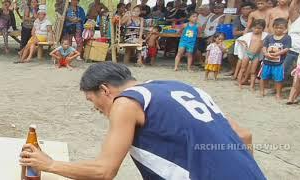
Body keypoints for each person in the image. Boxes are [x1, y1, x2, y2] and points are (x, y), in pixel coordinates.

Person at [20, 62, 266, 180]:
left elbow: (104, 171)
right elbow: (244, 136)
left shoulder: (125, 103)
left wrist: (49, 164)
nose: (95, 108)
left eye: (91, 100)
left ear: (105, 90)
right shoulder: (178, 86)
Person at [261, 18, 291, 99]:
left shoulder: (287, 38)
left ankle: (278, 94)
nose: (278, 29)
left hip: (279, 63)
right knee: (263, 77)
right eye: (276, 27)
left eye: (281, 28)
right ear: (273, 27)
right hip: (267, 61)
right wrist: (266, 53)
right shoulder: (269, 37)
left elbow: (286, 49)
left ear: (285, 29)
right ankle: (262, 91)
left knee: (278, 79)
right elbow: (264, 47)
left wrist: (277, 53)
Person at [237, 19, 268, 90]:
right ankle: (239, 84)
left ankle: (252, 86)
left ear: (263, 28)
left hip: (256, 55)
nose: (257, 30)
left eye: (259, 28)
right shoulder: (249, 35)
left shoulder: (265, 36)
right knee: (242, 69)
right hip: (248, 53)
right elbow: (239, 39)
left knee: (253, 72)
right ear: (252, 28)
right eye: (255, 28)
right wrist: (244, 44)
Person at [228, 1, 255, 78]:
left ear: (252, 10)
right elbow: (235, 33)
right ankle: (234, 69)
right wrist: (248, 31)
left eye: (248, 9)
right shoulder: (237, 19)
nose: (245, 11)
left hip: (252, 40)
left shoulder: (255, 18)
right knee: (230, 52)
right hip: (238, 39)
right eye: (243, 9)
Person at [283, 0, 300, 81]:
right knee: (283, 70)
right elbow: (292, 7)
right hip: (290, 49)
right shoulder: (296, 18)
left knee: (299, 74)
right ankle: (277, 90)